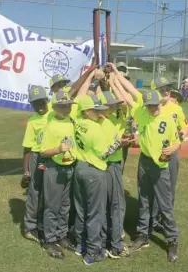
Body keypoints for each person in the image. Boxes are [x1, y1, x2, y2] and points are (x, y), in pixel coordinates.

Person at [128, 90, 180, 262]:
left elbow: (177, 141)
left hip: (160, 166)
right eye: (148, 106)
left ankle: (172, 240)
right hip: (144, 162)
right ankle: (143, 235)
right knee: (143, 199)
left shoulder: (167, 119)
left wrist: (173, 148)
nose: (151, 108)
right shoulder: (142, 113)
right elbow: (129, 98)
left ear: (159, 103)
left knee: (164, 204)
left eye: (153, 105)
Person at [72, 94, 109, 265]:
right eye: (95, 110)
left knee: (81, 210)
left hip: (79, 168)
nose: (99, 113)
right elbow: (104, 153)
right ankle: (93, 252)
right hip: (94, 171)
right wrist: (117, 144)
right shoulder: (95, 129)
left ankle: (80, 245)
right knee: (95, 212)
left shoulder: (77, 121)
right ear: (86, 111)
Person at [40, 90, 77, 259]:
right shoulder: (51, 125)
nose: (67, 108)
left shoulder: (71, 121)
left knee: (65, 205)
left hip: (69, 167)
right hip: (54, 168)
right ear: (54, 107)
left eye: (69, 105)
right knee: (52, 206)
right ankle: (49, 239)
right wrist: (58, 149)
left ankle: (61, 235)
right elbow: (43, 152)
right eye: (63, 106)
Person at [150, 77, 188, 234]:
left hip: (171, 156)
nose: (166, 91)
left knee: (169, 189)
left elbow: (184, 126)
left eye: (167, 88)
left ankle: (164, 220)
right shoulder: (150, 107)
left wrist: (179, 140)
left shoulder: (176, 108)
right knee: (151, 190)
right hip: (152, 157)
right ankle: (151, 222)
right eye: (162, 89)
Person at [98, 91, 131, 259]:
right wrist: (122, 143)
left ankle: (103, 242)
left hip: (100, 167)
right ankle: (116, 245)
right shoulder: (105, 124)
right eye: (111, 105)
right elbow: (106, 151)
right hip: (111, 165)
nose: (114, 107)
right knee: (117, 205)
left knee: (103, 204)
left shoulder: (99, 122)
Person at [22, 85, 51, 243]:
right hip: (37, 157)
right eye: (35, 103)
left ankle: (44, 224)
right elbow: (27, 148)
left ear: (47, 100)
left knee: (49, 192)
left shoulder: (54, 112)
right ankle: (30, 227)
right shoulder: (33, 121)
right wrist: (26, 171)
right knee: (35, 191)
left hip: (53, 157)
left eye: (41, 101)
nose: (39, 106)